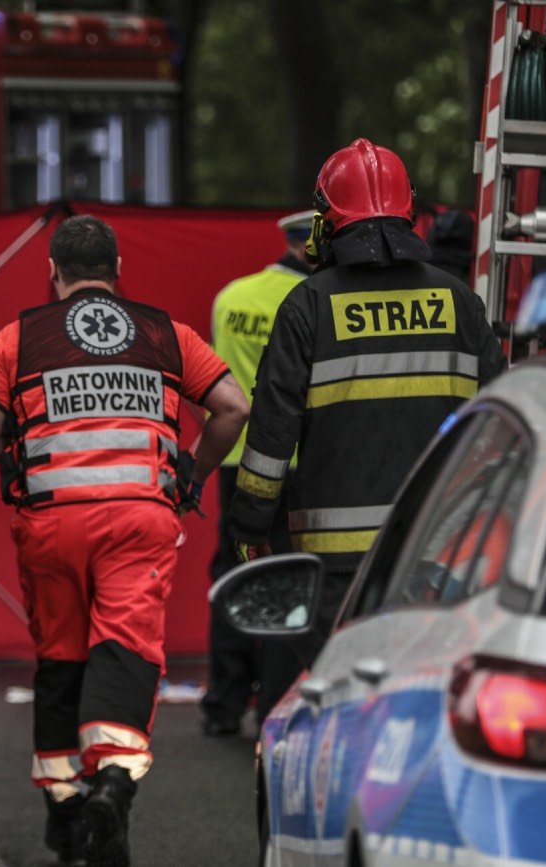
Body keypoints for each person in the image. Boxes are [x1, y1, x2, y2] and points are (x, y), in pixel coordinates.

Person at [0, 215, 249, 867]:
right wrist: (191, 475)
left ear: (53, 273)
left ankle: (65, 808)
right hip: (139, 522)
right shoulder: (167, 334)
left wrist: (24, 455)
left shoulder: (18, 338)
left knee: (61, 656)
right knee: (125, 646)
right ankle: (113, 786)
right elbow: (232, 406)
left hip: (52, 524)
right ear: (118, 271)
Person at [227, 139, 506, 649]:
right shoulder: (459, 301)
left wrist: (250, 525)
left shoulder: (307, 306)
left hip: (337, 567)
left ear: (326, 219)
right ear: (410, 213)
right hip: (438, 552)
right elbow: (502, 416)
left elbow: (272, 433)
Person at [200, 210, 314, 737]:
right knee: (287, 583)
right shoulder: (313, 302)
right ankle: (273, 706)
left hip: (233, 461)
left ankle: (223, 704)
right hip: (292, 462)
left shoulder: (230, 297)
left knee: (233, 574)